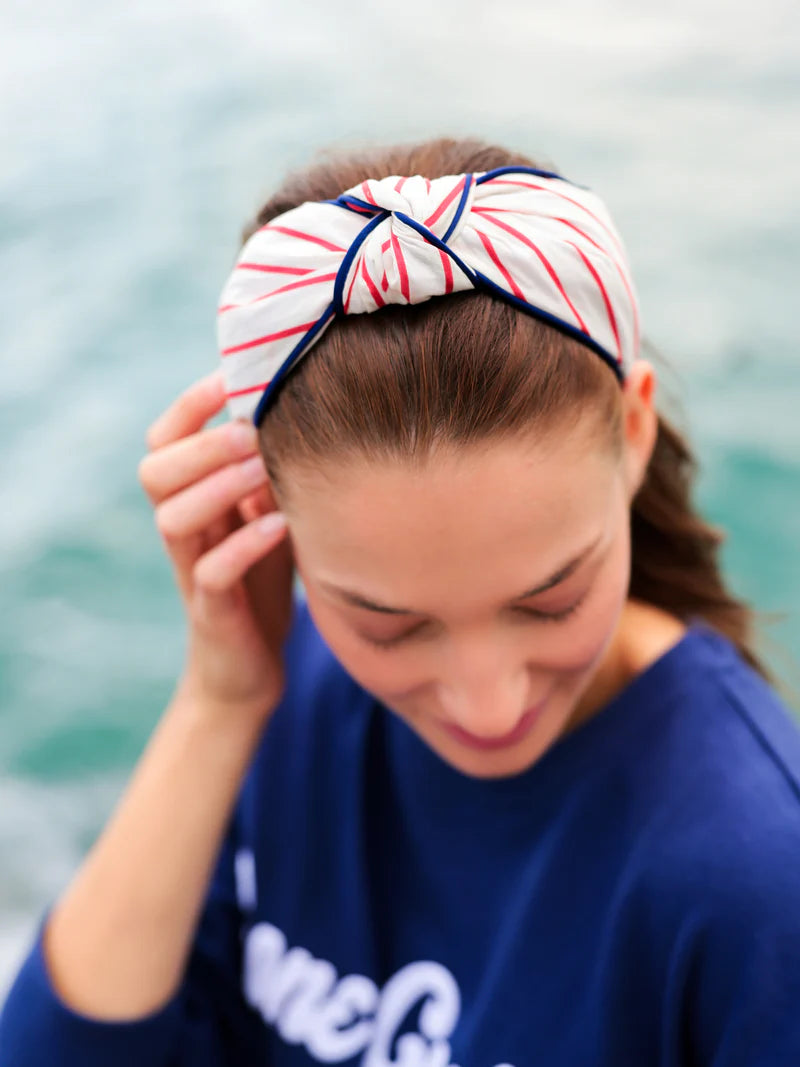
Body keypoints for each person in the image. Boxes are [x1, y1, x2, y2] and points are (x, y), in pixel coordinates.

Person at [1, 136, 799, 1067]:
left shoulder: (753, 870)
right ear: (265, 511)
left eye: (551, 599)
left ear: (632, 432)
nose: (485, 702)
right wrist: (221, 703)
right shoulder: (286, 697)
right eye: (389, 625)